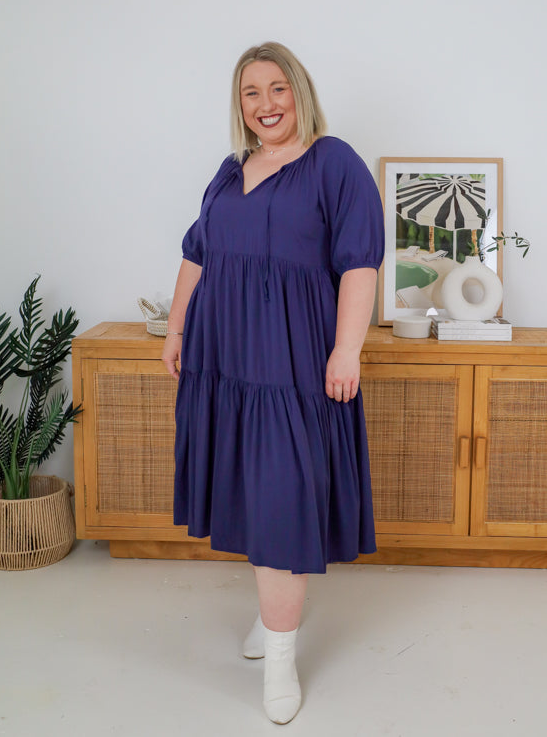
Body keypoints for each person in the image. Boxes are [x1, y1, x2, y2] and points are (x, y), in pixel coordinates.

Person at [162, 41, 384, 725]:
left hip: (292, 363)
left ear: (300, 92)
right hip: (225, 358)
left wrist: (347, 349)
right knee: (247, 488)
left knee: (282, 495)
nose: (266, 104)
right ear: (240, 105)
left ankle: (281, 660)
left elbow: (360, 263)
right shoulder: (230, 171)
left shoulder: (333, 162)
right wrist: (175, 329)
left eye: (277, 88)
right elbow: (197, 254)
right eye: (251, 92)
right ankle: (272, 616)